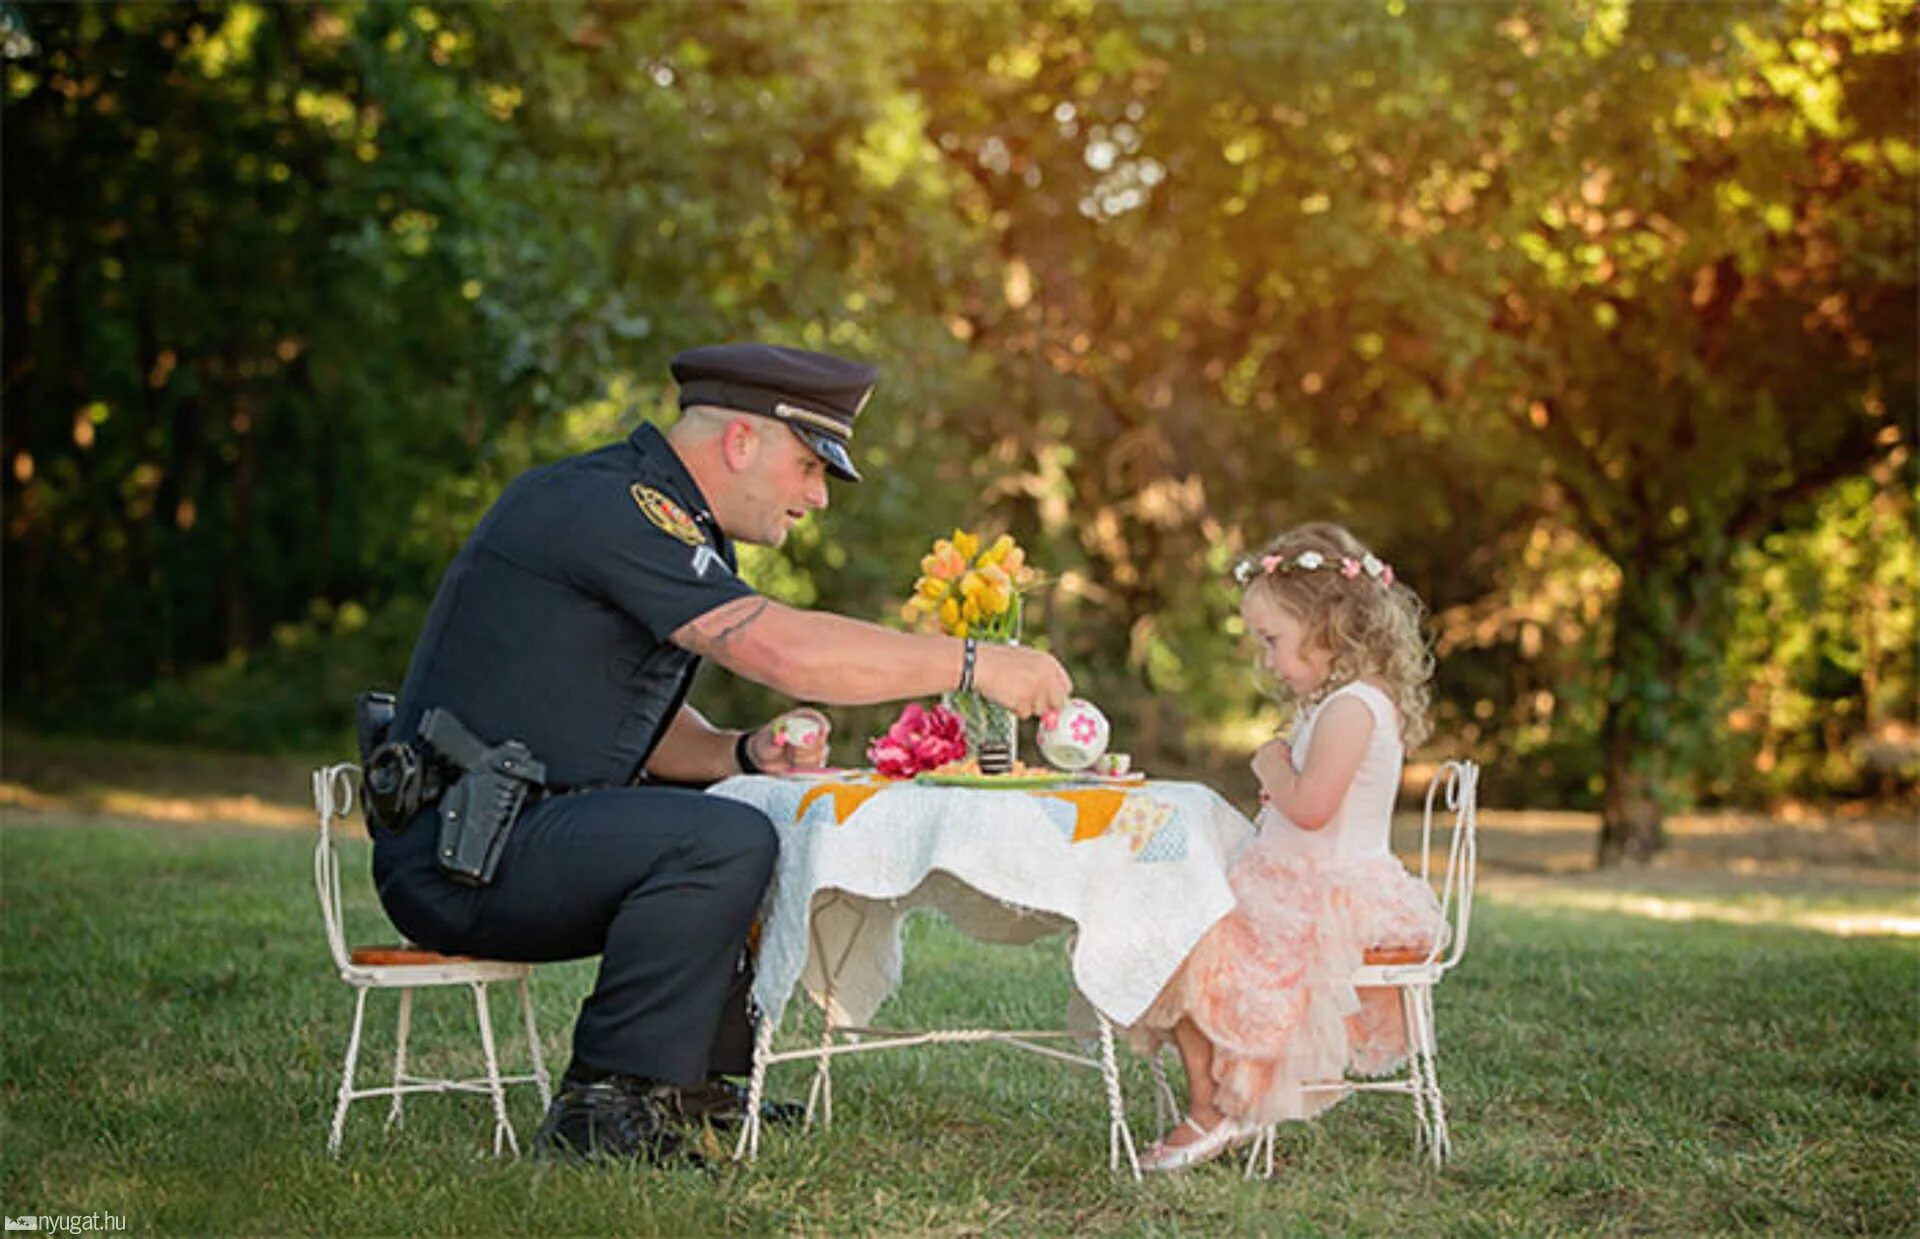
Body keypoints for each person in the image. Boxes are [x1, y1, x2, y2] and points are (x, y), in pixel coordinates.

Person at [371, 342, 1072, 1165]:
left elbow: (610, 706)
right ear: (742, 441)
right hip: (460, 857)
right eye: (811, 467)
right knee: (720, 839)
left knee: (740, 812)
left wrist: (739, 751)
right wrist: (972, 660)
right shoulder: (616, 508)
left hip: (506, 832)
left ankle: (693, 1085)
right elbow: (780, 650)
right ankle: (604, 1104)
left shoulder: (656, 515)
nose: (817, 497)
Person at [1129, 521, 1447, 1172]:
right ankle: (1218, 1100)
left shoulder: (1353, 708)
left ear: (1329, 625)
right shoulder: (1340, 703)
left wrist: (1271, 766)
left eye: (1273, 641)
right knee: (1172, 925)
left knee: (1183, 939)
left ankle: (1212, 1110)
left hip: (1326, 898)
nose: (1267, 660)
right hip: (1305, 879)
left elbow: (1310, 806)